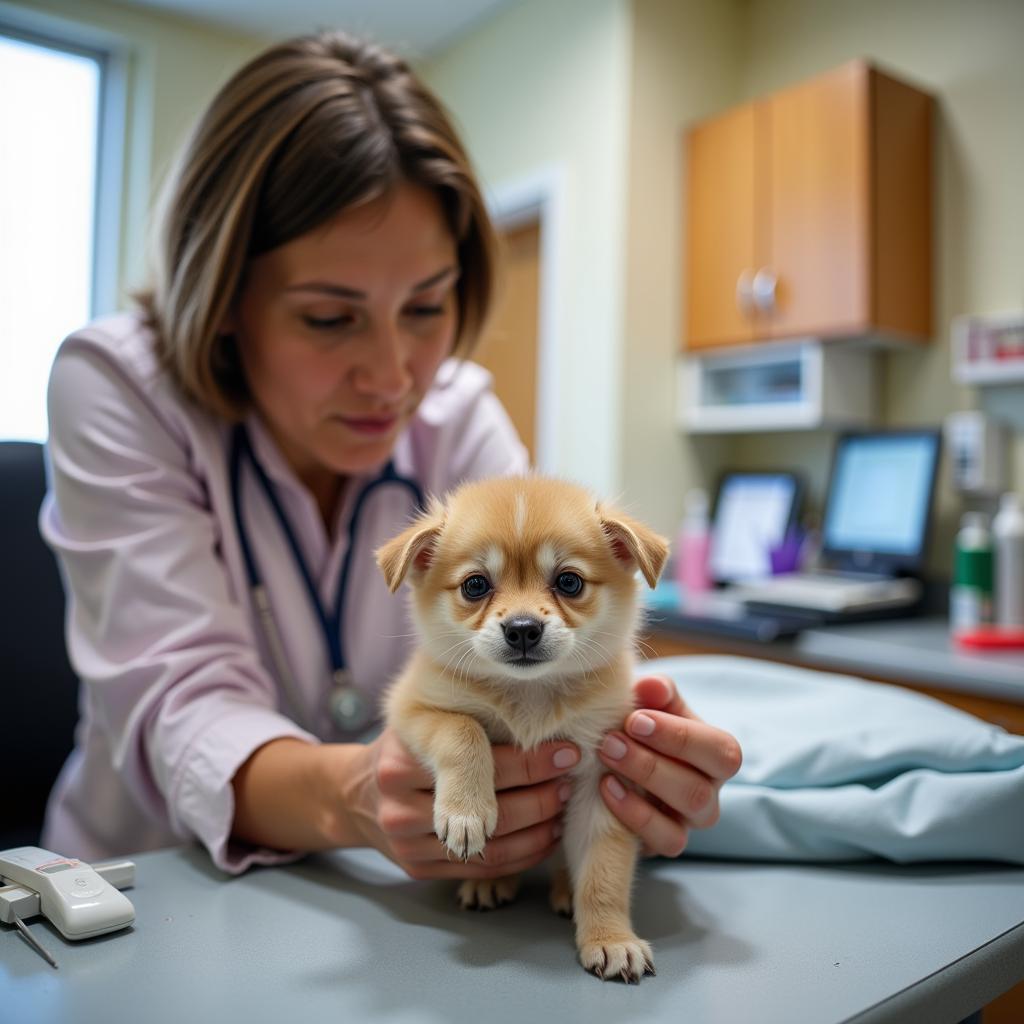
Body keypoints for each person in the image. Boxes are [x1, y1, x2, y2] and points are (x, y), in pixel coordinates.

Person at [40, 30, 741, 879]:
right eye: (330, 318)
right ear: (225, 299)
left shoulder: (460, 414)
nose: (393, 377)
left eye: (426, 307)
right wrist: (357, 794)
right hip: (146, 884)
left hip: (386, 898)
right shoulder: (119, 385)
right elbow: (180, 708)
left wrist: (629, 769)